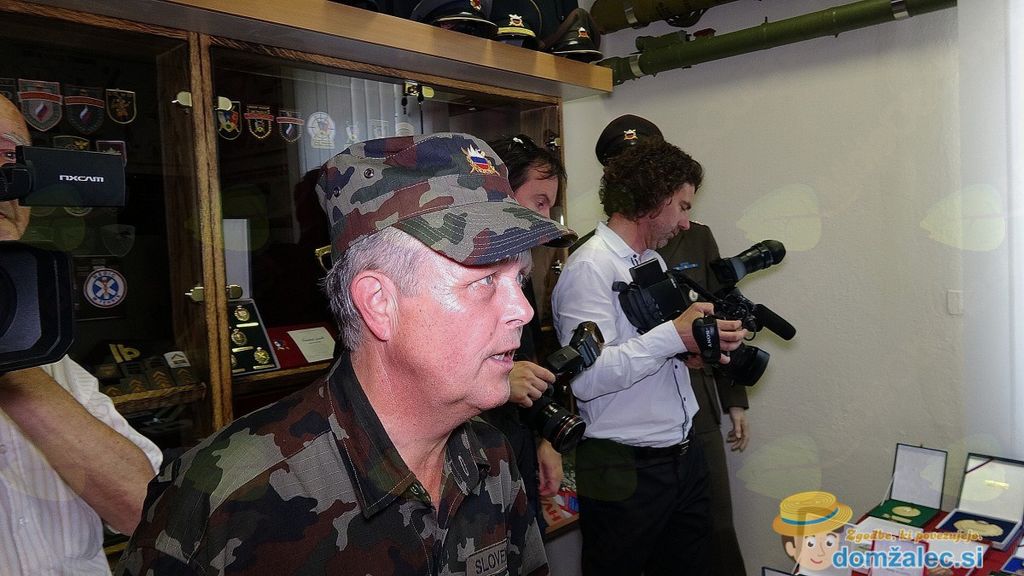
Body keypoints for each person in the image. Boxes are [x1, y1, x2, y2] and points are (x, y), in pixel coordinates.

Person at [116, 132, 577, 576]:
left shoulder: (491, 458)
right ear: (379, 303)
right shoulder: (226, 502)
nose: (522, 310)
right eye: (485, 280)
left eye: (518, 279)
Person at [551, 136, 747, 576]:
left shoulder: (651, 262)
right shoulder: (589, 268)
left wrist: (691, 351)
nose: (686, 223)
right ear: (654, 199)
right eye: (682, 207)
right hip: (624, 469)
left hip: (682, 456)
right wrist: (673, 338)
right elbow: (586, 379)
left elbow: (650, 348)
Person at [0, 94, 163, 575]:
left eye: (13, 157)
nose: (5, 179)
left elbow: (145, 512)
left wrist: (15, 366)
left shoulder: (45, 352)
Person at [483, 134, 565, 528]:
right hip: (474, 458)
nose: (546, 218)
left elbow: (528, 360)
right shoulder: (457, 271)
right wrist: (498, 379)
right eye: (539, 202)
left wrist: (546, 440)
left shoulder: (519, 263)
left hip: (516, 444)